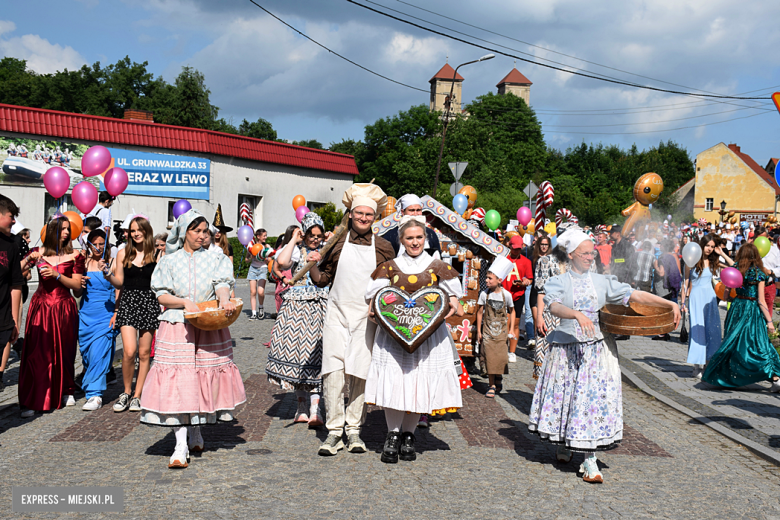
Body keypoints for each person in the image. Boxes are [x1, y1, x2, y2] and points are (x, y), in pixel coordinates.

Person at [528, 226, 680, 484]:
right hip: (567, 349)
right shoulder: (560, 281)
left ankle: (589, 459)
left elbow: (633, 295)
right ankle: (566, 443)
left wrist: (669, 303)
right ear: (572, 254)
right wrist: (576, 314)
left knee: (590, 402)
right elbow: (552, 305)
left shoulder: (601, 281)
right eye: (586, 253)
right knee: (569, 398)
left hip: (597, 351)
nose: (591, 257)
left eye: (592, 253)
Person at [140, 209, 245, 469]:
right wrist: (184, 301)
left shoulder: (215, 258)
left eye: (205, 231)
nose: (202, 236)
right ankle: (180, 445)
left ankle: (196, 432)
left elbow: (222, 284)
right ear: (184, 233)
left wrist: (223, 298)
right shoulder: (169, 261)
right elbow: (161, 295)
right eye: (196, 231)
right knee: (179, 382)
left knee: (202, 381)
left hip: (208, 325)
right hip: (177, 325)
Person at [364, 216, 463, 463]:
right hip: (395, 335)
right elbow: (374, 295)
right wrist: (376, 307)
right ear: (401, 240)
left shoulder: (437, 266)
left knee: (420, 382)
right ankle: (393, 435)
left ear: (425, 239)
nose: (415, 242)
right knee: (396, 382)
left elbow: (455, 299)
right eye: (410, 237)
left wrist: (451, 303)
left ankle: (408, 435)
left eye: (419, 237)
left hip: (428, 335)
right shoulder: (389, 266)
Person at [308, 183, 394, 456]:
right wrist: (313, 265)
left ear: (375, 217)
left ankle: (354, 428)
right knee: (333, 372)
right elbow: (323, 281)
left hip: (366, 316)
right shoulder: (335, 244)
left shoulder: (383, 247)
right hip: (337, 313)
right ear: (351, 214)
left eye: (369, 215)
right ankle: (334, 431)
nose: (364, 218)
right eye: (359, 214)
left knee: (359, 371)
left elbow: (390, 286)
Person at [266, 213, 329, 427]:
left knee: (317, 359)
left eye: (318, 235)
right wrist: (294, 238)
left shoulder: (325, 250)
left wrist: (326, 243)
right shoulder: (296, 250)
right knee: (298, 359)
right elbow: (281, 263)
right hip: (296, 308)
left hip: (320, 307)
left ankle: (315, 409)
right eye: (311, 235)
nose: (315, 239)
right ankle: (301, 407)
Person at [18, 216, 84, 417]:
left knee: (64, 351)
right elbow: (16, 271)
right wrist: (29, 259)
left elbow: (77, 288)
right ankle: (33, 397)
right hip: (41, 306)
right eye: (63, 229)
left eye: (68, 229)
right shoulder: (37, 253)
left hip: (64, 307)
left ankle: (66, 388)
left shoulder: (75, 255)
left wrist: (57, 275)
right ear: (52, 230)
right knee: (36, 353)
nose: (67, 233)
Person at [703, 243, 780, 391]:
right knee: (758, 343)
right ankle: (775, 376)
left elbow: (725, 295)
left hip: (737, 308)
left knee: (733, 342)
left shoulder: (736, 270)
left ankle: (723, 376)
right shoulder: (759, 274)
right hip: (752, 310)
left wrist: (727, 290)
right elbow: (761, 300)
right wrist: (769, 321)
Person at [105, 216, 160, 413]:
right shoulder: (123, 253)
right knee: (129, 351)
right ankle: (126, 392)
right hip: (128, 302)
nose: (136, 233)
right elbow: (119, 282)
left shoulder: (156, 253)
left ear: (146, 231)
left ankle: (138, 395)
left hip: (149, 302)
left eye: (139, 230)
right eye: (132, 230)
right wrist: (107, 275)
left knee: (144, 353)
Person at [78, 229, 119, 411]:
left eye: (102, 243)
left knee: (99, 353)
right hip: (86, 315)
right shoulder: (83, 263)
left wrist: (117, 312)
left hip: (106, 315)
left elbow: (120, 288)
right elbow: (77, 293)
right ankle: (91, 385)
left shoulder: (112, 261)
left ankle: (95, 395)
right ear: (89, 245)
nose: (99, 247)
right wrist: (80, 283)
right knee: (87, 355)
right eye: (95, 243)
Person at [682, 233, 733, 378]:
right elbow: (685, 282)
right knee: (697, 329)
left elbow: (733, 266)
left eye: (712, 246)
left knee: (712, 329)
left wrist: (721, 252)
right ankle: (697, 365)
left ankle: (709, 363)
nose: (709, 249)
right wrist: (682, 302)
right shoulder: (691, 259)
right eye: (707, 246)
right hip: (696, 298)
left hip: (710, 298)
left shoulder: (713, 262)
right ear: (702, 245)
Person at [477, 255, 515, 397]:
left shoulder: (507, 295)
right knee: (489, 358)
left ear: (499, 280)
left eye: (490, 278)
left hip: (501, 333)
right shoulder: (484, 295)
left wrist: (511, 329)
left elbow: (512, 311)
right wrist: (479, 332)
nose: (486, 280)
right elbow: (480, 312)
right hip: (487, 331)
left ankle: (498, 377)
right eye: (486, 278)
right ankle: (491, 385)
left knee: (499, 358)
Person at [533, 233, 569, 379]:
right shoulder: (545, 261)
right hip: (549, 314)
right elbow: (541, 291)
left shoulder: (575, 263)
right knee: (545, 354)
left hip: (569, 316)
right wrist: (539, 317)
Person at [0, 196, 23, 392]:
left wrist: (14, 322)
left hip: (2, 321)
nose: (14, 221)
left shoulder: (10, 246)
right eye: (10, 216)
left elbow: (16, 286)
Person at [502, 235, 532, 362]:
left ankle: (512, 351)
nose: (516, 251)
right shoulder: (503, 259)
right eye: (514, 249)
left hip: (518, 295)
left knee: (515, 323)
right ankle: (502, 349)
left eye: (519, 249)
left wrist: (525, 281)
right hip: (503, 294)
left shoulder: (526, 261)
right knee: (504, 323)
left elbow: (530, 278)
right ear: (509, 246)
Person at [652, 239, 682, 341]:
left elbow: (661, 273)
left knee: (661, 311)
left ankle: (662, 333)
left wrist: (655, 265)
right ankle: (665, 332)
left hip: (662, 288)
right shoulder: (672, 257)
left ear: (663, 247)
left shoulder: (662, 257)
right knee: (667, 310)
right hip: (670, 287)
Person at [756, 227, 780, 312]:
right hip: (754, 286)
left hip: (768, 285)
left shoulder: (775, 250)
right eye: (758, 238)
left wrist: (771, 271)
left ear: (767, 237)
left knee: (768, 312)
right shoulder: (751, 250)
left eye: (762, 238)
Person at [246, 228, 269, 320]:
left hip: (262, 269)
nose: (266, 237)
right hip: (253, 269)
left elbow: (270, 260)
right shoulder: (251, 246)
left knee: (260, 292)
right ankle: (253, 313)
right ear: (258, 237)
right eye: (264, 236)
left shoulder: (266, 247)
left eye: (266, 235)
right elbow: (246, 260)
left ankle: (261, 307)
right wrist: (251, 257)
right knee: (253, 292)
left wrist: (264, 258)